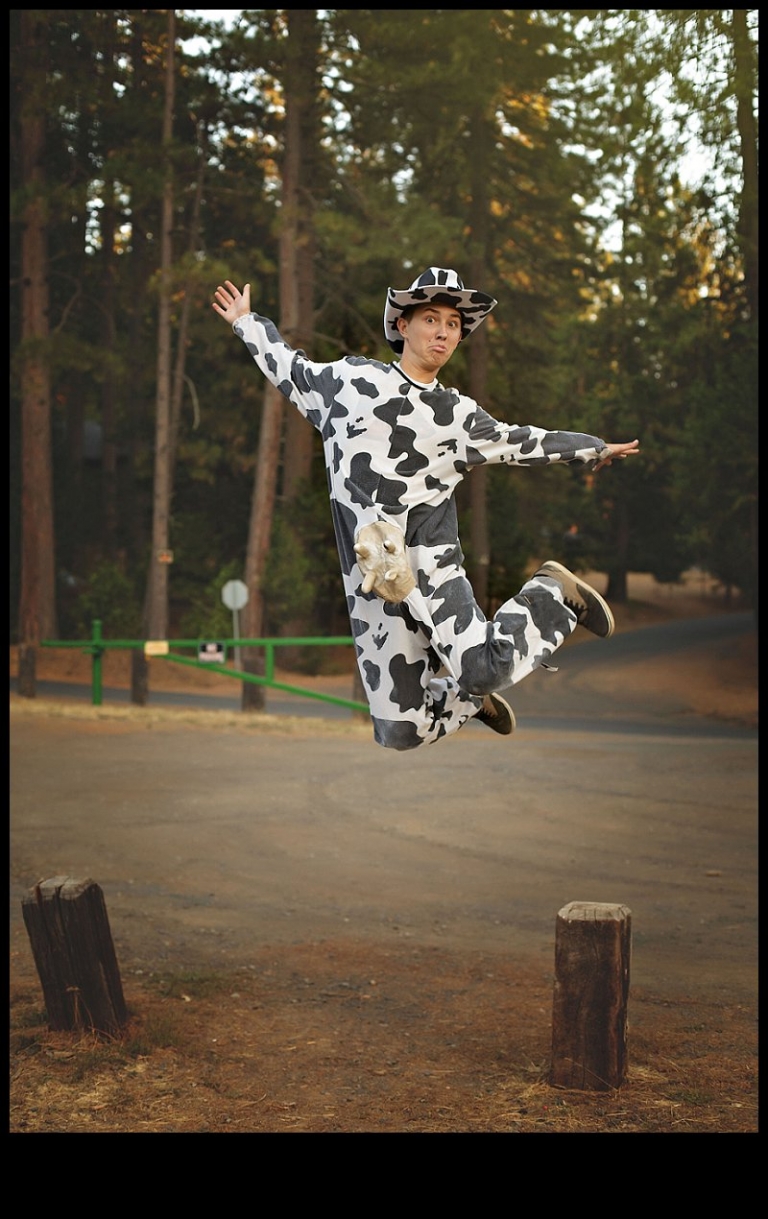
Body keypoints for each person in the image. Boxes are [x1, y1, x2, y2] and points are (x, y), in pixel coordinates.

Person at [213, 267, 639, 750]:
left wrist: (593, 447)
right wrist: (246, 322)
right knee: (398, 731)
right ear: (402, 326)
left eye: (453, 325)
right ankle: (469, 702)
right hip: (375, 585)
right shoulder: (351, 384)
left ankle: (552, 595)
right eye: (431, 319)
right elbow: (291, 369)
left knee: (484, 668)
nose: (442, 331)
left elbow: (520, 441)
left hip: (430, 571)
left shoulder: (458, 417)